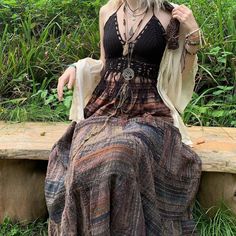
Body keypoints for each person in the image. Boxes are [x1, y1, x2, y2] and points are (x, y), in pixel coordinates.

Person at [45, 0, 202, 235]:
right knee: (83, 157)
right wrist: (76, 67)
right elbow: (103, 64)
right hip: (104, 108)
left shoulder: (171, 14)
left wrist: (193, 33)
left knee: (123, 151)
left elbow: (180, 74)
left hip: (150, 112)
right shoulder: (107, 11)